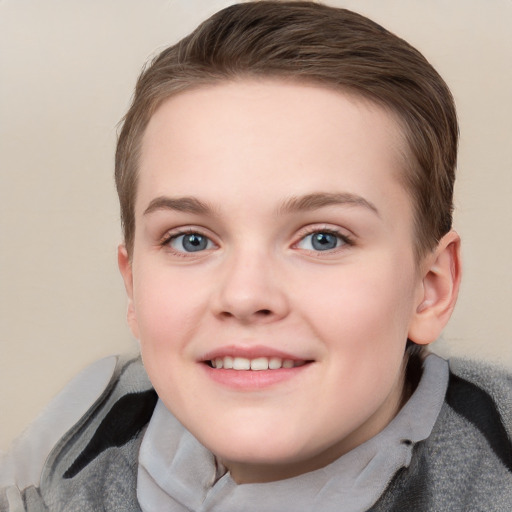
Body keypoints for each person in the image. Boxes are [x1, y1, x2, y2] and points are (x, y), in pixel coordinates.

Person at [1, 1, 511, 510]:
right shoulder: (69, 447)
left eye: (323, 239)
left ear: (430, 288)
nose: (245, 296)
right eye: (191, 240)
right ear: (133, 286)